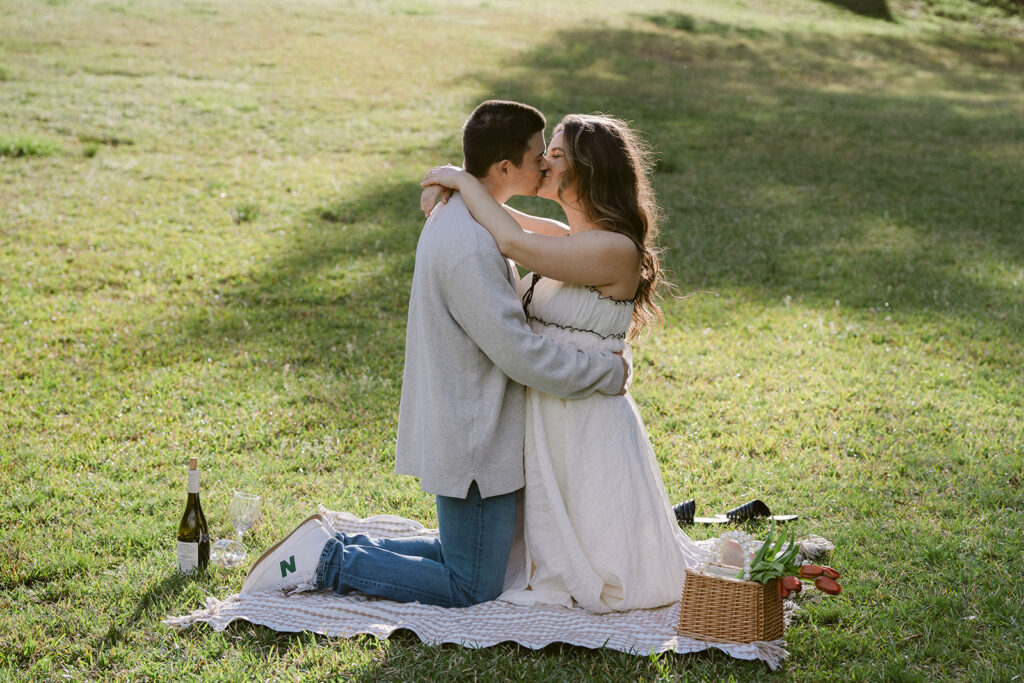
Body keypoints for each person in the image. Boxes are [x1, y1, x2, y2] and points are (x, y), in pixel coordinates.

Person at [240, 101, 630, 607]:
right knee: (471, 584)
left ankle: (332, 546)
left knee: (469, 556)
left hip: (476, 424)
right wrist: (605, 372)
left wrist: (455, 180)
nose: (546, 166)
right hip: (475, 435)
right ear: (506, 168)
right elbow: (522, 355)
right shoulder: (468, 243)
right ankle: (329, 560)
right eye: (539, 156)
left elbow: (522, 234)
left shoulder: (468, 218)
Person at [418, 113, 706, 612]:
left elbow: (511, 241)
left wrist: (462, 180)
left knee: (597, 552)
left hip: (585, 417)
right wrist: (454, 188)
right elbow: (506, 219)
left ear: (584, 170)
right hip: (553, 409)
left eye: (555, 152)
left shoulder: (614, 249)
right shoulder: (571, 236)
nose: (544, 159)